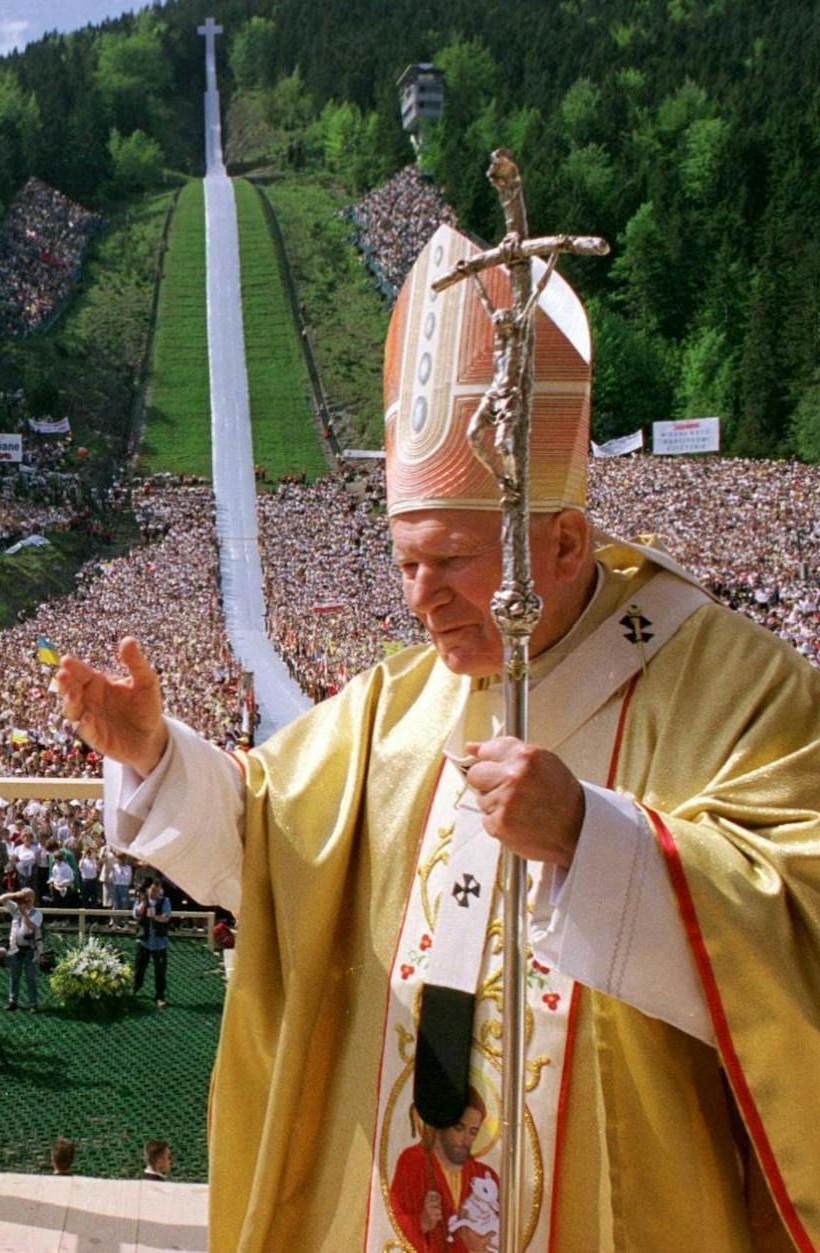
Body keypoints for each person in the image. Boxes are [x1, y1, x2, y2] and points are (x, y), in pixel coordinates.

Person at [58, 222, 820, 1249]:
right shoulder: (402, 701)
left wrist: (594, 839)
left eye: (453, 560)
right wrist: (155, 754)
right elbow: (268, 841)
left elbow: (797, 922)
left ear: (564, 541)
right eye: (404, 562)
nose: (421, 599)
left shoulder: (736, 685)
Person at [388, 1089, 499, 1253]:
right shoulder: (413, 1162)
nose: (466, 1140)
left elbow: (505, 1233)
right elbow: (390, 1221)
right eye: (459, 1128)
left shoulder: (484, 1176)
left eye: (473, 1131)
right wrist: (422, 1222)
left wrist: (482, 1244)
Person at [0, 889, 42, 1011]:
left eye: (28, 898)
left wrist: (24, 914)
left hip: (30, 949)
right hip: (15, 948)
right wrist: (16, 895)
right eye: (24, 898)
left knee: (30, 977)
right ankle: (12, 1001)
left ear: (33, 899)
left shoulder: (37, 913)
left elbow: (32, 926)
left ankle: (33, 1004)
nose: (26, 901)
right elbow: (1, 899)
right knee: (14, 976)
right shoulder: (15, 908)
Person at [132, 879, 171, 1008]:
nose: (155, 892)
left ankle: (160, 996)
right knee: (139, 967)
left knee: (160, 970)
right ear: (148, 889)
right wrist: (144, 903)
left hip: (159, 942)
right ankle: (135, 989)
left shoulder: (164, 901)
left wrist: (155, 917)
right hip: (144, 940)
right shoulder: (141, 900)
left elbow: (166, 917)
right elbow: (136, 914)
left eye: (157, 890)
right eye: (153, 889)